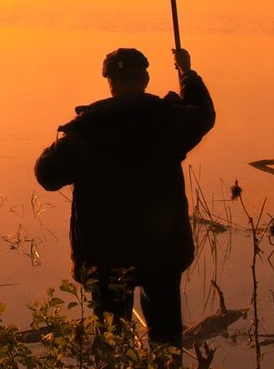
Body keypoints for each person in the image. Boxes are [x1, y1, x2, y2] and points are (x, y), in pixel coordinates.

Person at [33, 45, 215, 348]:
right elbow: (203, 114)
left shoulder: (86, 132)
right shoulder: (169, 120)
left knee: (111, 338)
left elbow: (46, 176)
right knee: (166, 335)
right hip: (163, 252)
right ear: (144, 79)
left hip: (106, 258)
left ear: (110, 84)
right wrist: (187, 73)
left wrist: (67, 139)